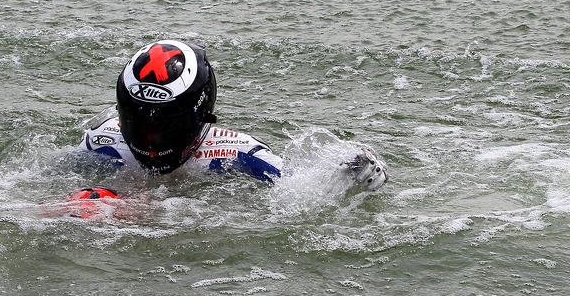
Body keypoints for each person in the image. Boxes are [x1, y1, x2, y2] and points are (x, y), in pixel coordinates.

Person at [78, 40, 388, 189]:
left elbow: (301, 188)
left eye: (163, 125)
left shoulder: (235, 153)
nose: (149, 136)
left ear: (200, 113)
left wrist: (354, 170)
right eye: (138, 120)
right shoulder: (102, 140)